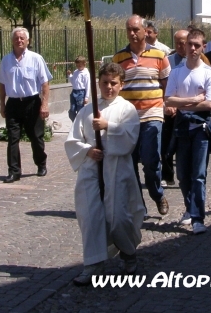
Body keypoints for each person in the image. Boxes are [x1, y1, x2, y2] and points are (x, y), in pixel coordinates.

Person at [65, 63, 144, 286]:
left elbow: (130, 137)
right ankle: (93, 264)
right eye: (105, 83)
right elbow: (73, 139)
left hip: (117, 169)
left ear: (121, 84)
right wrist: (88, 150)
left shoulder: (127, 108)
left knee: (118, 216)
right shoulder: (88, 110)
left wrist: (109, 125)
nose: (109, 87)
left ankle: (128, 253)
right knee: (91, 217)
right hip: (91, 169)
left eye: (113, 83)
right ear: (98, 83)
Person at [112, 15, 171, 216]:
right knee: (130, 164)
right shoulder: (119, 58)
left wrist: (169, 104)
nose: (132, 33)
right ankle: (139, 205)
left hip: (152, 114)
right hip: (128, 118)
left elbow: (167, 84)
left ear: (145, 31)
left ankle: (157, 194)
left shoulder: (159, 55)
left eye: (135, 29)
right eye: (129, 29)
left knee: (150, 160)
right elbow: (114, 86)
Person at [165, 28, 211, 234]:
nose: (193, 48)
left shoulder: (208, 73)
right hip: (181, 128)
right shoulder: (176, 72)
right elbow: (168, 100)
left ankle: (198, 217)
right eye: (190, 44)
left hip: (200, 129)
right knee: (183, 175)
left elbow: (210, 104)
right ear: (184, 46)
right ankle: (190, 208)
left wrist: (183, 104)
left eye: (197, 45)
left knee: (198, 174)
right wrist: (194, 100)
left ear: (203, 47)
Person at [0, 27, 52, 183]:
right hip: (14, 104)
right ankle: (14, 171)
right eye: (16, 38)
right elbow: (2, 83)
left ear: (28, 41)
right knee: (12, 138)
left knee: (36, 137)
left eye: (22, 38)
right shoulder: (6, 60)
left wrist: (44, 104)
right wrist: (2, 104)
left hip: (32, 102)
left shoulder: (36, 58)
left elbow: (45, 83)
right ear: (12, 40)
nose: (19, 40)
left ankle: (41, 163)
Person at [161, 29, 189, 187]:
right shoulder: (167, 60)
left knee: (184, 146)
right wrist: (168, 105)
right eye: (177, 42)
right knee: (166, 145)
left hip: (187, 109)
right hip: (170, 110)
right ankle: (167, 175)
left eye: (183, 42)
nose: (180, 45)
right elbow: (163, 85)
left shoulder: (194, 61)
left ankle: (184, 175)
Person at [67, 56, 92, 122]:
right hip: (74, 91)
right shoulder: (76, 72)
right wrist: (70, 75)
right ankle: (75, 122)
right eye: (77, 65)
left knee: (80, 110)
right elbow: (73, 82)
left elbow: (87, 85)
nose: (78, 67)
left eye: (80, 65)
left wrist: (86, 97)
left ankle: (81, 123)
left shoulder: (86, 73)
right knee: (72, 110)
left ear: (84, 64)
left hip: (81, 93)